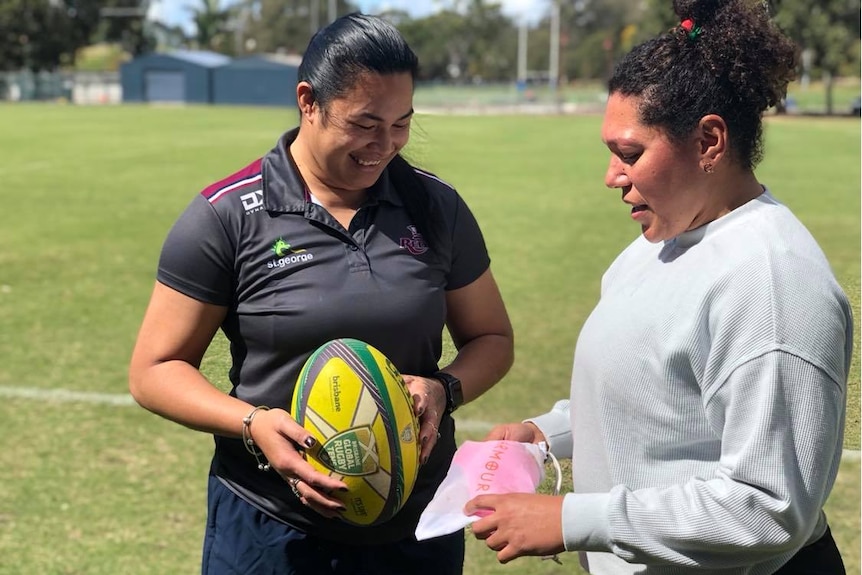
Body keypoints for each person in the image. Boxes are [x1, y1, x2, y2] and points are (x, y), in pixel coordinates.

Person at [465, 0, 852, 573]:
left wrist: (571, 519)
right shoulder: (657, 244)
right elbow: (650, 392)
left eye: (631, 154)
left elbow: (770, 508)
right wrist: (542, 433)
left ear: (710, 142)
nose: (611, 176)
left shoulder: (769, 285)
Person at [128, 12, 514, 575]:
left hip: (416, 526)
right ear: (309, 102)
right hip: (272, 529)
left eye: (401, 123)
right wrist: (252, 423)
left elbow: (492, 337)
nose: (384, 145)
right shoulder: (227, 215)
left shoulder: (435, 207)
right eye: (364, 123)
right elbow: (154, 369)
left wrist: (444, 388)